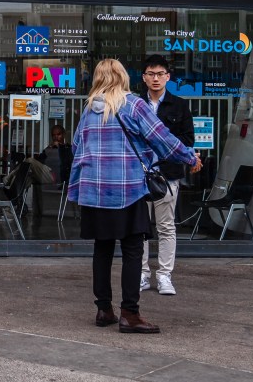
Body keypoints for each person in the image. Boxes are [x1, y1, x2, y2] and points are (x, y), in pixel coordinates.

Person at [68, 58, 200, 334]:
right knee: (132, 249)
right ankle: (130, 313)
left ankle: (103, 309)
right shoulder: (133, 105)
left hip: (95, 191)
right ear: (124, 77)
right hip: (127, 189)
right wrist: (189, 157)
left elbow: (76, 145)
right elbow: (162, 138)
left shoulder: (89, 109)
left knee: (102, 249)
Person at [138, 55, 194, 297]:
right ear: (144, 77)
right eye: (151, 74)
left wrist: (160, 146)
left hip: (167, 175)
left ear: (168, 77)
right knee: (138, 228)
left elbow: (187, 141)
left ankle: (164, 276)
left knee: (166, 227)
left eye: (160, 74)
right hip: (138, 175)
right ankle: (141, 274)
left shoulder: (179, 106)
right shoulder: (134, 103)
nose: (156, 78)